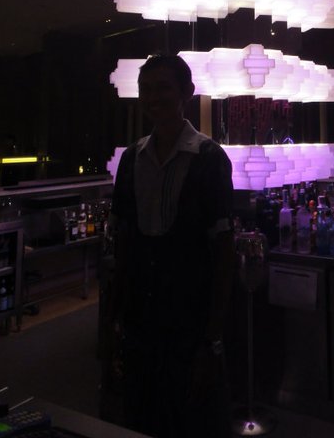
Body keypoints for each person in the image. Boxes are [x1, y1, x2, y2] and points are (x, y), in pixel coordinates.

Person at [110, 53, 235, 438]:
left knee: (190, 418)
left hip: (188, 321)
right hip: (140, 318)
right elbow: (123, 242)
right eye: (145, 89)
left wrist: (212, 338)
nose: (153, 98)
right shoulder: (131, 159)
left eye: (163, 88)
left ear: (187, 93)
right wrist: (114, 319)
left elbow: (223, 251)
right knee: (140, 415)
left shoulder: (209, 158)